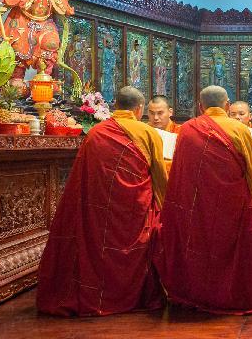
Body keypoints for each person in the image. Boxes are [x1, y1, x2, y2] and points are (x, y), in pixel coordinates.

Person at [37, 87, 168, 316]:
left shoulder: (96, 133)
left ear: (115, 105)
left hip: (98, 209)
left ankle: (99, 294)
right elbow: (158, 176)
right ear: (139, 109)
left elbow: (82, 178)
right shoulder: (148, 133)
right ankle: (133, 295)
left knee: (100, 250)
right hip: (135, 208)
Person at [154, 86, 252, 314]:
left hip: (194, 207)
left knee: (197, 246)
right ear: (227, 106)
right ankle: (232, 295)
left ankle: (196, 293)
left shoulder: (187, 130)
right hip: (232, 206)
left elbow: (180, 171)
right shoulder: (239, 129)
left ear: (200, 106)